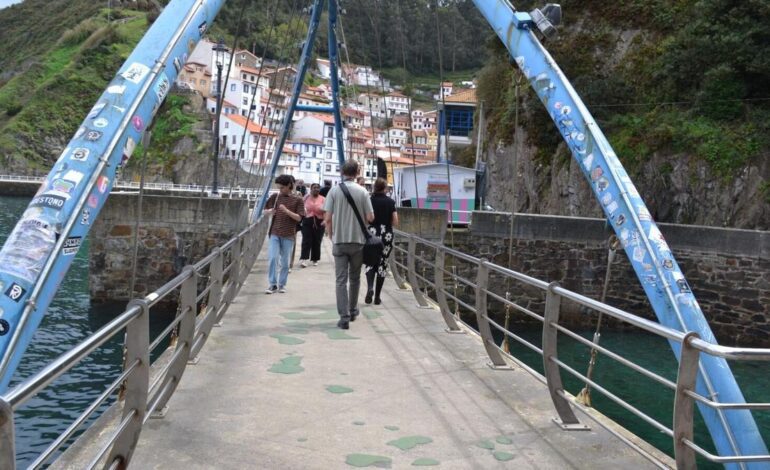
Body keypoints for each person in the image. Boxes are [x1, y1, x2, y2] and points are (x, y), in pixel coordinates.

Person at [324, 160, 374, 329]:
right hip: (358, 241)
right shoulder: (363, 191)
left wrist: (331, 235)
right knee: (355, 278)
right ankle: (353, 310)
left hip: (340, 241)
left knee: (340, 280)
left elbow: (328, 218)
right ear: (357, 172)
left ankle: (343, 317)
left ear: (342, 172)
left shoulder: (334, 191)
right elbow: (370, 218)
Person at [264, 174, 305, 294]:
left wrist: (286, 211)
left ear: (289, 186)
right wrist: (269, 212)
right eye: (279, 187)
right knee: (273, 258)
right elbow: (264, 211)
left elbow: (299, 218)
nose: (280, 190)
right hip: (275, 233)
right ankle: (272, 284)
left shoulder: (298, 200)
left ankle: (282, 284)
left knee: (285, 262)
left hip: (289, 235)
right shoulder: (275, 197)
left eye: (282, 187)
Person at [365, 178, 398, 305]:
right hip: (386, 236)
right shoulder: (390, 202)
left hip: (371, 235)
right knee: (382, 264)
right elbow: (395, 221)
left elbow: (367, 219)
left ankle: (369, 288)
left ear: (374, 187)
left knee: (370, 262)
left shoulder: (369, 200)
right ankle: (377, 297)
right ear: (385, 188)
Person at [299, 183, 325, 267]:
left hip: (319, 221)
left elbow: (326, 210)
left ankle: (315, 259)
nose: (316, 189)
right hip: (307, 220)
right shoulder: (306, 197)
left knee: (317, 240)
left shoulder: (323, 199)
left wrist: (325, 221)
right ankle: (304, 259)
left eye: (318, 188)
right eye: (314, 187)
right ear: (311, 189)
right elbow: (300, 206)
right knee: (306, 240)